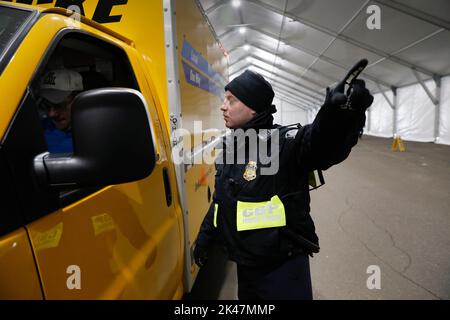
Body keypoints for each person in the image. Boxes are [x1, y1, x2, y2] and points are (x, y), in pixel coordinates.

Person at [193, 68, 374, 300]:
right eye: (224, 99)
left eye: (231, 100)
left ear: (253, 107)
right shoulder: (233, 147)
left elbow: (321, 145)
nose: (223, 106)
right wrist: (205, 238)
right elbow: (221, 201)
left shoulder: (283, 145)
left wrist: (339, 117)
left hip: (281, 270)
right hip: (246, 265)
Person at [38, 68, 84, 153]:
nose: (51, 114)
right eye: (47, 105)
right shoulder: (39, 126)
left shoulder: (90, 137)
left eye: (59, 105)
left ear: (79, 99)